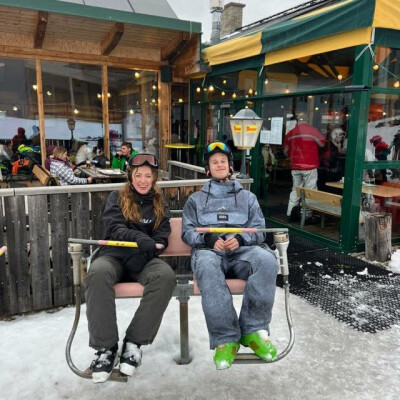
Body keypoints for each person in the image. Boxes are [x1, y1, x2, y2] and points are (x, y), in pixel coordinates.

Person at [182, 142, 279, 370]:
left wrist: (243, 238)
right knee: (206, 266)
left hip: (242, 251)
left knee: (266, 260)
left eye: (222, 161)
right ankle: (225, 338)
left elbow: (258, 226)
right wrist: (206, 239)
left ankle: (254, 330)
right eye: (214, 162)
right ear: (207, 168)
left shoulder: (248, 197)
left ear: (230, 166)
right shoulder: (195, 200)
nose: (219, 165)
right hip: (210, 251)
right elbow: (187, 231)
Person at [85, 153, 175, 383]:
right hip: (114, 255)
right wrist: (138, 239)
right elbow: (114, 228)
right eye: (138, 175)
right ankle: (105, 347)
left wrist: (143, 253)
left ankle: (135, 342)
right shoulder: (117, 197)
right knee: (98, 272)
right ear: (131, 176)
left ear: (154, 178)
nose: (143, 180)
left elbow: (161, 238)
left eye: (148, 175)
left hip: (142, 261)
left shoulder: (160, 203)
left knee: (164, 276)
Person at [283, 114, 326, 223]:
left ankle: (289, 213)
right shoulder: (312, 130)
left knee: (295, 190)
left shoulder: (291, 133)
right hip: (309, 166)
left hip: (295, 166)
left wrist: (293, 155)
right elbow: (322, 143)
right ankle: (307, 216)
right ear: (307, 120)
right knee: (310, 191)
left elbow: (285, 150)